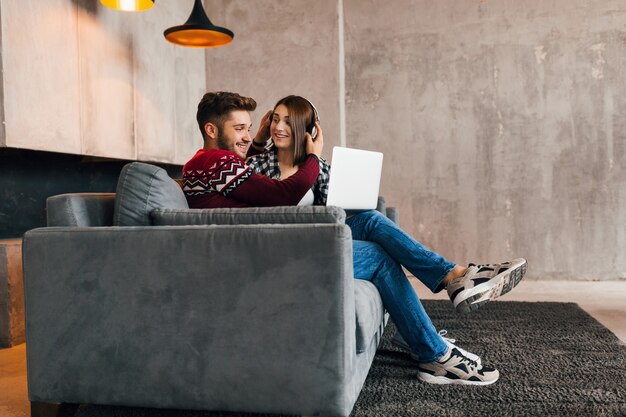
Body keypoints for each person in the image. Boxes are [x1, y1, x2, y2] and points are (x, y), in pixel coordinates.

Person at [183, 91, 528, 386]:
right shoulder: (215, 162)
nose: (249, 135)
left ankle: (454, 280)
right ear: (212, 130)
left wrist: (262, 141)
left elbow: (257, 175)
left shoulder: (218, 162)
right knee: (378, 254)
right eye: (240, 128)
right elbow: (283, 194)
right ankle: (436, 344)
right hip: (271, 257)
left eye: (250, 127)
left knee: (368, 219)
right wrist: (313, 153)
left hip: (279, 244)